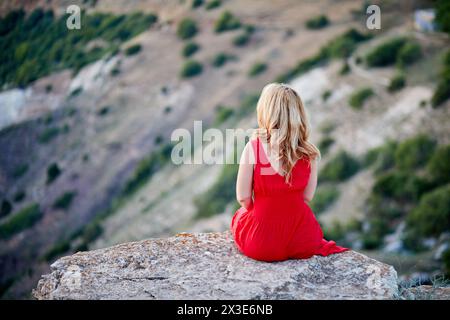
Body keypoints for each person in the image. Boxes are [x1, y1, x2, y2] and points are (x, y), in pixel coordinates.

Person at [230, 83, 348, 262]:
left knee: (239, 216)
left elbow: (243, 198)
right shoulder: (310, 153)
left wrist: (263, 213)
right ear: (298, 114)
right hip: (303, 239)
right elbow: (307, 197)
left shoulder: (253, 148)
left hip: (262, 245)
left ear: (266, 112)